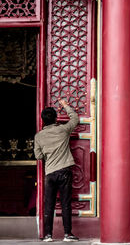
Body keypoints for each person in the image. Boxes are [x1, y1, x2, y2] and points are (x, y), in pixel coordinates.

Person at [34, 99, 79, 242]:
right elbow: (75, 118)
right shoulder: (63, 129)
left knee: (49, 205)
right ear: (55, 118)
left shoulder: (39, 136)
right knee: (66, 203)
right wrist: (65, 105)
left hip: (50, 173)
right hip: (64, 171)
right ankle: (67, 234)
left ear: (42, 120)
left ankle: (48, 235)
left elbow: (38, 156)